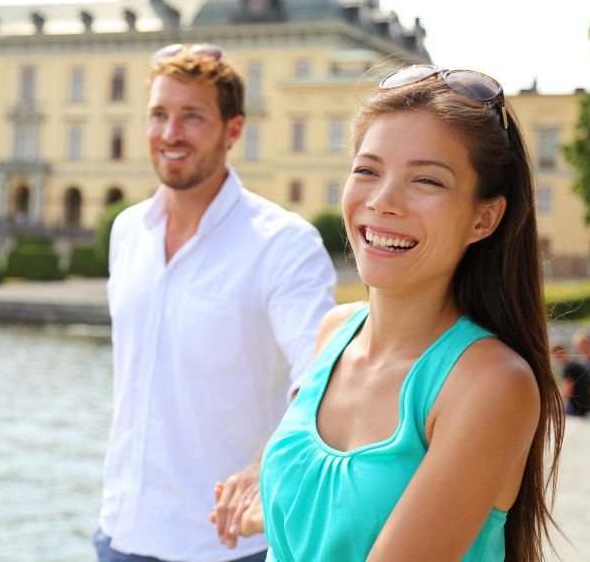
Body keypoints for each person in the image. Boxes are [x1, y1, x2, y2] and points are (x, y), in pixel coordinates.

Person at [237, 65, 565, 561]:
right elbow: (330, 508)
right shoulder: (335, 333)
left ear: (484, 217)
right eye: (367, 170)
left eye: (426, 180)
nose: (382, 201)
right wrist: (257, 501)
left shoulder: (491, 384)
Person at [95, 44, 337, 562]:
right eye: (158, 114)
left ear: (232, 130)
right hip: (120, 530)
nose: (170, 133)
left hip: (228, 544)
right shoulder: (127, 231)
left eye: (192, 116)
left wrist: (267, 464)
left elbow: (322, 377)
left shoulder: (283, 244)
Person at [551, 341, 590, 416]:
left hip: (576, 408)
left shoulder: (568, 368)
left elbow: (567, 392)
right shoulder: (575, 364)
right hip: (586, 405)